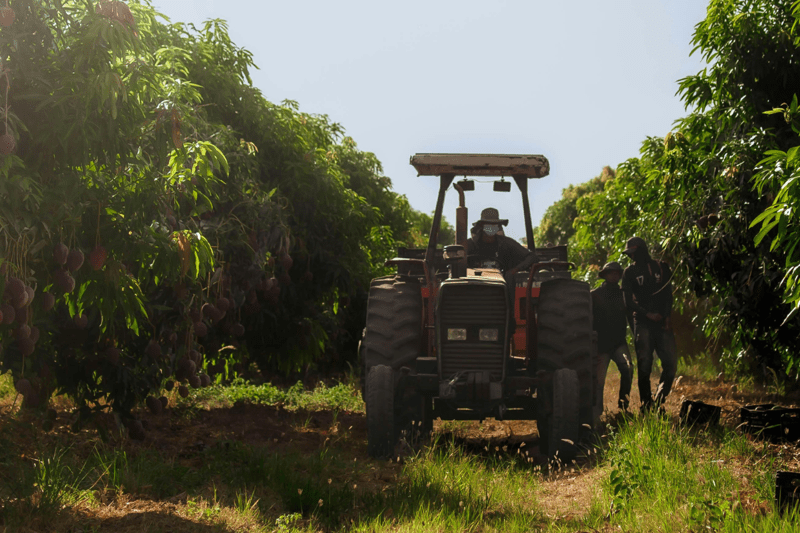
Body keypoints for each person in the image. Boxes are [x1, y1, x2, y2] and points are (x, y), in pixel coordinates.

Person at [621, 236, 677, 411]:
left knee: (671, 364)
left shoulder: (661, 267)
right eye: (629, 254)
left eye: (634, 252)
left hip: (661, 323)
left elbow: (668, 295)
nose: (631, 256)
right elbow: (628, 302)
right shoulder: (629, 272)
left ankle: (659, 400)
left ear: (642, 250)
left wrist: (666, 317)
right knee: (644, 365)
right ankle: (646, 405)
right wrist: (647, 314)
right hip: (643, 322)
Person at [592, 261, 633, 412]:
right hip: (601, 344)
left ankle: (623, 406)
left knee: (628, 369)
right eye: (611, 273)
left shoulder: (624, 294)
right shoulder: (594, 295)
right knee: (598, 381)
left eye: (617, 273)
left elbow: (630, 315)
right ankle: (597, 412)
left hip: (618, 342)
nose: (614, 276)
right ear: (605, 275)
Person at [466, 207, 536, 276]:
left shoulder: (507, 243)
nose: (491, 227)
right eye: (488, 224)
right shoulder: (469, 244)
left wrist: (514, 270)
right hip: (476, 281)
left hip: (502, 281)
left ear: (498, 226)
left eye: (494, 224)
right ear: (481, 226)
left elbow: (531, 257)